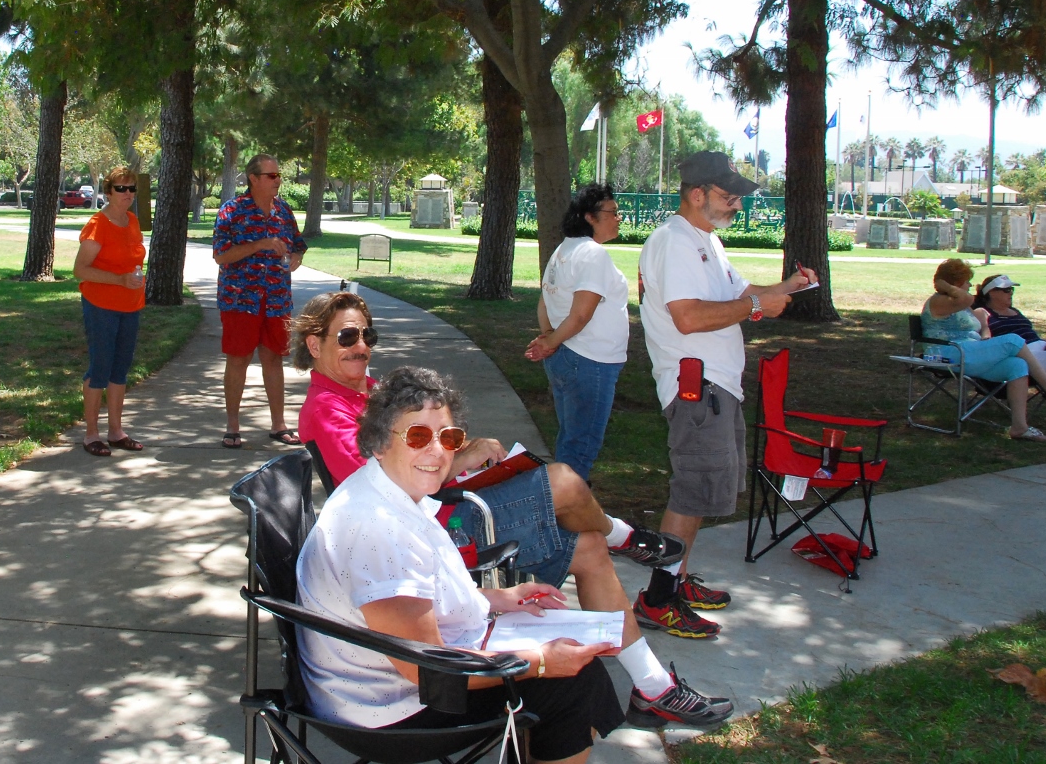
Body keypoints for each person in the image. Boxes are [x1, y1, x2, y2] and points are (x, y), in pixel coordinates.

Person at [296, 366, 734, 745]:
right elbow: (429, 672)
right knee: (573, 683)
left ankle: (638, 686)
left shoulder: (396, 494)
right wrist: (539, 661)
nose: (436, 451)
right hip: (390, 711)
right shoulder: (379, 530)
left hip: (390, 683)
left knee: (574, 664)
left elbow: (418, 606)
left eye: (448, 436)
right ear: (377, 443)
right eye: (417, 436)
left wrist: (496, 600)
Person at [291, 290, 686, 582]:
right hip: (434, 528)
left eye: (367, 337)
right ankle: (626, 538)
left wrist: (462, 449)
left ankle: (652, 686)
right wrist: (460, 460)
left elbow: (419, 444)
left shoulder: (372, 390)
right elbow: (381, 485)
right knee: (562, 481)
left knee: (588, 546)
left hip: (447, 505)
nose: (361, 347)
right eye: (347, 338)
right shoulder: (327, 411)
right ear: (314, 344)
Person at [637, 151, 816, 639]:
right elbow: (689, 317)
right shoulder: (674, 241)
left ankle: (676, 578)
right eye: (727, 194)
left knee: (699, 493)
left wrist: (789, 287)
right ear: (697, 194)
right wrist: (758, 304)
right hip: (697, 389)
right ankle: (658, 599)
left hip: (715, 387)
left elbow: (742, 293)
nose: (736, 204)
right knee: (691, 493)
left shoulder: (705, 242)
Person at [524, 182, 627, 482]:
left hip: (569, 357)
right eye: (613, 212)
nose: (619, 217)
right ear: (589, 217)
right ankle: (565, 517)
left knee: (570, 441)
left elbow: (544, 300)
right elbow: (582, 313)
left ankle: (558, 508)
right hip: (591, 362)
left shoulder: (563, 250)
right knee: (581, 448)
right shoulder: (593, 255)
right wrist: (550, 342)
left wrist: (549, 338)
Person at [212, 153, 308, 449]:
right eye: (272, 176)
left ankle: (279, 424)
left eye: (279, 175)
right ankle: (232, 426)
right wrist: (260, 244)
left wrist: (295, 257)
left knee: (273, 358)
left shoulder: (284, 211)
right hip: (241, 299)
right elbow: (221, 255)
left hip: (277, 298)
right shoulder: (232, 211)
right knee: (238, 359)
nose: (278, 180)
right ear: (254, 178)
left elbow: (298, 245)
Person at [922, 259, 1046, 442]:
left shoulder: (958, 303)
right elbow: (968, 299)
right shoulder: (939, 301)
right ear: (956, 282)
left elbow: (976, 321)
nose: (970, 285)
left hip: (968, 351)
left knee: (1016, 364)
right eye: (967, 281)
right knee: (1013, 341)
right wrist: (944, 285)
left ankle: (1019, 427)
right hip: (945, 353)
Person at [73, 165, 146, 456]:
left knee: (120, 369)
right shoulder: (97, 224)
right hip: (101, 306)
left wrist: (134, 280)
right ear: (108, 192)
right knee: (100, 368)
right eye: (121, 188)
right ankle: (91, 434)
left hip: (131, 305)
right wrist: (120, 280)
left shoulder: (132, 220)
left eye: (131, 189)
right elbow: (80, 270)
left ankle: (116, 430)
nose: (127, 194)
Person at [972, 273, 1046, 383]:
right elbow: (985, 336)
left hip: (1044, 346)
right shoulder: (982, 312)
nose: (1011, 292)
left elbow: (1029, 334)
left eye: (1011, 289)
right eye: (1006, 290)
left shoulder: (1015, 311)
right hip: (1024, 354)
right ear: (991, 293)